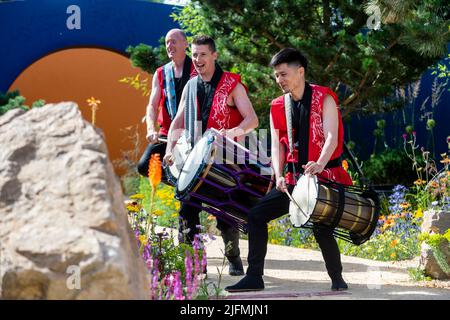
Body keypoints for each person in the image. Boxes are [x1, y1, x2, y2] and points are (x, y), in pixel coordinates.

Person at [225, 48, 352, 292]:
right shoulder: (277, 106)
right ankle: (254, 277)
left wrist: (320, 163)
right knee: (256, 215)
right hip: (294, 180)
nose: (279, 80)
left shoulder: (324, 97)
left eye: (283, 74)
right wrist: (279, 174)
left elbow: (332, 137)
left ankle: (337, 278)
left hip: (324, 177)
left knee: (321, 227)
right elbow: (276, 145)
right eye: (276, 75)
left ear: (300, 72)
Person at [164, 35, 259, 276]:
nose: (197, 59)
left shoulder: (232, 85)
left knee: (225, 215)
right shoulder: (191, 85)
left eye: (203, 54)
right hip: (195, 162)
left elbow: (252, 120)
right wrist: (169, 150)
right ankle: (193, 264)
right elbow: (178, 120)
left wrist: (231, 133)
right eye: (194, 55)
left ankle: (234, 257)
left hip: (224, 161)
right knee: (186, 212)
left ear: (214, 55)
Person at [137, 29, 196, 180]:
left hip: (194, 132)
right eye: (167, 42)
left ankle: (186, 187)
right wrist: (151, 129)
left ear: (185, 44)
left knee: (193, 172)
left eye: (173, 41)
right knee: (144, 167)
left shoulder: (198, 69)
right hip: (166, 134)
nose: (169, 45)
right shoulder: (161, 73)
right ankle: (178, 184)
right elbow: (152, 105)